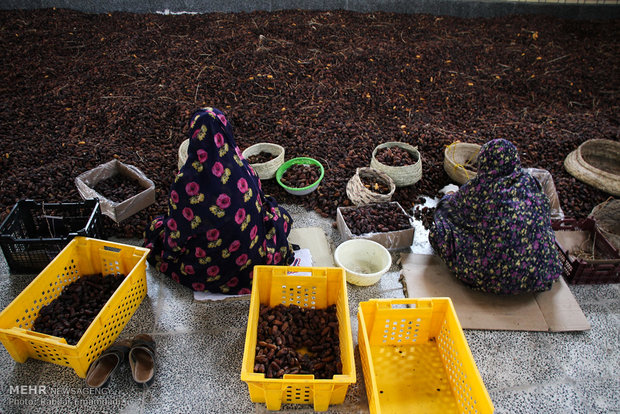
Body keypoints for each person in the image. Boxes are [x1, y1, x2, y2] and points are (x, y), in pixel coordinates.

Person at [144, 107, 295, 294]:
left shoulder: (185, 183)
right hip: (249, 259)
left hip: (207, 270)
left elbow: (175, 236)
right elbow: (259, 207)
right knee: (277, 215)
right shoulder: (244, 169)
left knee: (155, 230)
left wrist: (167, 248)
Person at [429, 138, 562, 294]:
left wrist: (449, 193)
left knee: (438, 231)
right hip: (541, 273)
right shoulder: (530, 181)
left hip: (490, 277)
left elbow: (449, 208)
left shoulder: (480, 188)